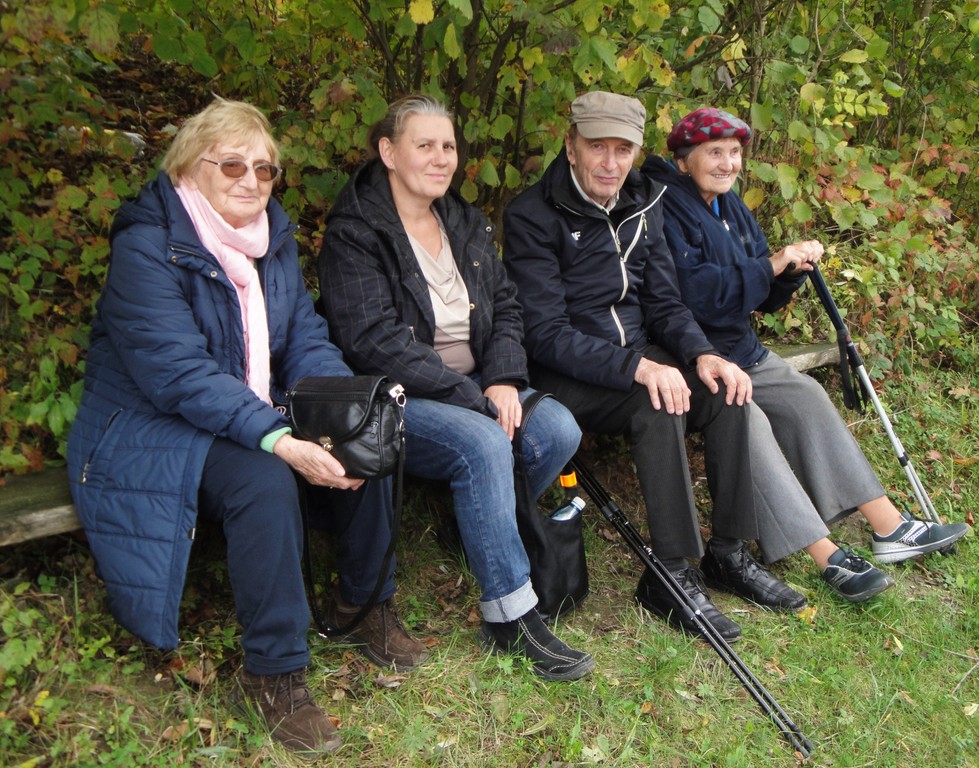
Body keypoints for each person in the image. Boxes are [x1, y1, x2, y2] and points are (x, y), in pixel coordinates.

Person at [65, 98, 416, 756]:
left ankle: (364, 604)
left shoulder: (270, 241)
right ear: (187, 168)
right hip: (153, 428)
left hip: (244, 410)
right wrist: (280, 439)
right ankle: (273, 674)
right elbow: (180, 376)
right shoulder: (147, 247)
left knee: (367, 437)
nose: (251, 181)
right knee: (264, 479)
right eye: (232, 165)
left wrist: (341, 410)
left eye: (264, 169)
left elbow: (304, 338)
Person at [502, 90, 799, 643]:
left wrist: (703, 353)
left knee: (726, 389)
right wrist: (639, 369)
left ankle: (728, 551)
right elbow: (545, 334)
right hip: (566, 372)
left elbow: (664, 302)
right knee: (658, 400)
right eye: (598, 147)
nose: (611, 163)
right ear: (571, 146)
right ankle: (671, 571)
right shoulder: (532, 215)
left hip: (639, 354)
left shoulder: (645, 202)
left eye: (624, 150)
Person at [317, 94, 593, 682]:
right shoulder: (356, 232)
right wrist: (472, 398)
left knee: (557, 429)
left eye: (448, 145)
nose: (441, 157)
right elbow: (371, 340)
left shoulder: (464, 221)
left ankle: (472, 523)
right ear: (388, 152)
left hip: (475, 383)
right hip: (397, 397)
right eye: (424, 145)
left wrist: (503, 379)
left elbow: (508, 306)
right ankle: (510, 616)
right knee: (485, 442)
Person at [639, 106, 969, 592]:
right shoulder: (664, 206)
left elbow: (761, 295)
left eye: (734, 153)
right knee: (749, 424)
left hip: (741, 349)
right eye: (715, 153)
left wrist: (788, 274)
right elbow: (693, 295)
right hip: (692, 358)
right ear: (684, 160)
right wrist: (772, 265)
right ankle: (827, 555)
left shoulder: (729, 206)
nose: (728, 163)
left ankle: (890, 528)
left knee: (807, 398)